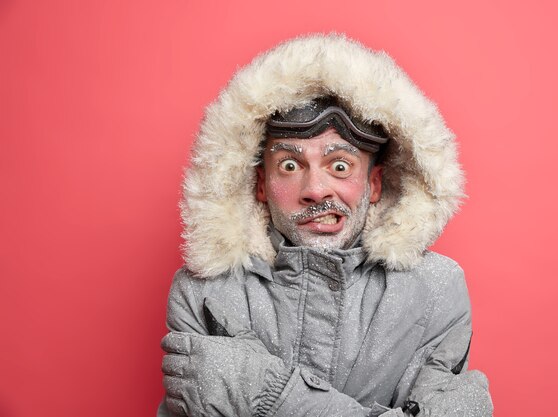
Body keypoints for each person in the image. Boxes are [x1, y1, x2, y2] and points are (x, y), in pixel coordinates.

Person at [158, 34, 493, 417]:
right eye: (289, 165)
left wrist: (273, 395)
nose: (316, 190)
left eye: (339, 166)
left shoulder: (435, 289)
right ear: (260, 185)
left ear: (374, 183)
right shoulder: (206, 292)